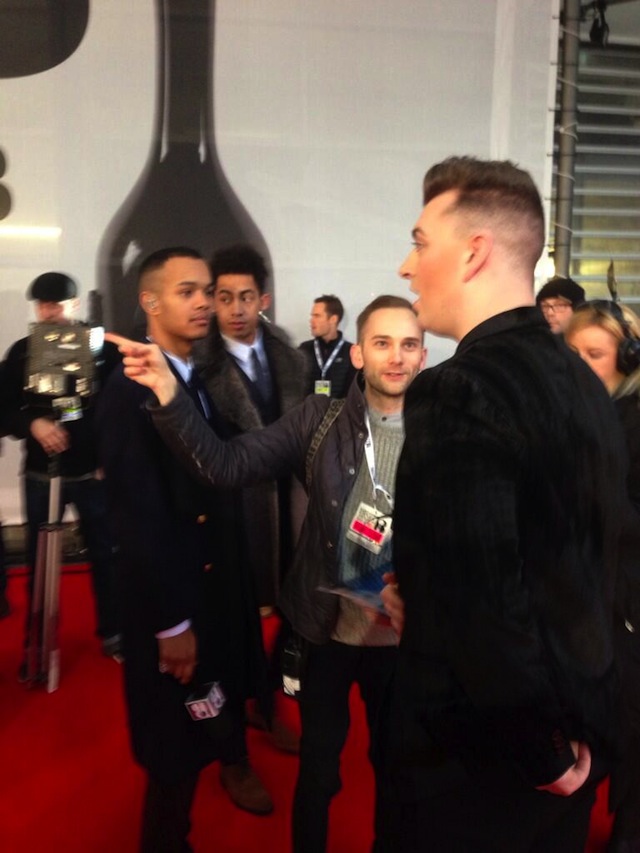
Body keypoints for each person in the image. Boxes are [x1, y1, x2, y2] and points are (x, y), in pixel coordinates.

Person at [106, 294, 426, 853]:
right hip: (325, 628)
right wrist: (169, 394)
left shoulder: (445, 430)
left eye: (409, 344)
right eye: (382, 343)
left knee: (401, 771)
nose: (396, 357)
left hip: (406, 639)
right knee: (319, 771)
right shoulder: (319, 420)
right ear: (358, 354)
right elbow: (225, 464)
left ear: (423, 355)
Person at [378, 156, 626, 852]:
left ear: (474, 251)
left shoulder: (457, 387)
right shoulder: (583, 379)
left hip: (482, 764)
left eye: (420, 242)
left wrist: (540, 754)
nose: (406, 265)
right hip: (577, 728)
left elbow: (484, 598)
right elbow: (577, 558)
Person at [96, 247, 268, 852]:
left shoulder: (191, 378)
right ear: (150, 302)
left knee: (197, 730)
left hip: (207, 586)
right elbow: (137, 518)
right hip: (171, 601)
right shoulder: (130, 392)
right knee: (172, 751)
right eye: (187, 292)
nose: (204, 304)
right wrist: (172, 623)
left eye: (206, 292)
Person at [195, 242, 307, 782]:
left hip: (290, 507)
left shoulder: (289, 356)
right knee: (231, 629)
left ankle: (267, 702)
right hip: (232, 513)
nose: (236, 309)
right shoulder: (199, 367)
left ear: (263, 298)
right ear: (213, 300)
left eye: (245, 297)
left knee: (291, 614)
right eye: (224, 297)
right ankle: (232, 750)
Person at [1, 272, 121, 673]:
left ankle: (114, 632)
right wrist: (31, 424)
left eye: (56, 304)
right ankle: (37, 643)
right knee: (39, 560)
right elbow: (3, 407)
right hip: (40, 473)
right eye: (42, 305)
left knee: (107, 555)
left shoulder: (102, 349)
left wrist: (110, 458)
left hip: (93, 473)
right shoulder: (21, 353)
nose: (48, 312)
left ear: (75, 304)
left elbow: (121, 407)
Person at [565, 300, 640, 853]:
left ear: (628, 359)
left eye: (594, 353)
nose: (579, 364)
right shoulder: (571, 415)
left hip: (627, 605)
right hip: (579, 600)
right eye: (572, 353)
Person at [299, 294, 357, 397]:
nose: (311, 320)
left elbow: (353, 393)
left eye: (317, 316)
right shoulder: (304, 349)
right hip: (308, 407)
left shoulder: (351, 352)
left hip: (340, 407)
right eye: (312, 316)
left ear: (333, 319)